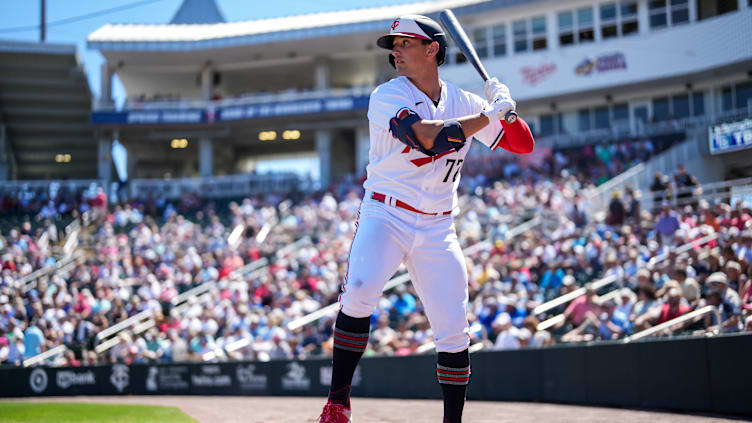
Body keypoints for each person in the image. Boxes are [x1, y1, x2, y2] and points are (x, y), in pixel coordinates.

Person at [317, 14, 534, 423]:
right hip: (385, 212)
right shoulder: (386, 95)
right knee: (360, 290)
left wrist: (506, 110)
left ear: (432, 49)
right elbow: (426, 139)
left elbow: (523, 144)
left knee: (453, 327)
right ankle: (338, 402)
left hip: (438, 225)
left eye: (404, 43)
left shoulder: (468, 102)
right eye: (393, 45)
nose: (395, 51)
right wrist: (490, 116)